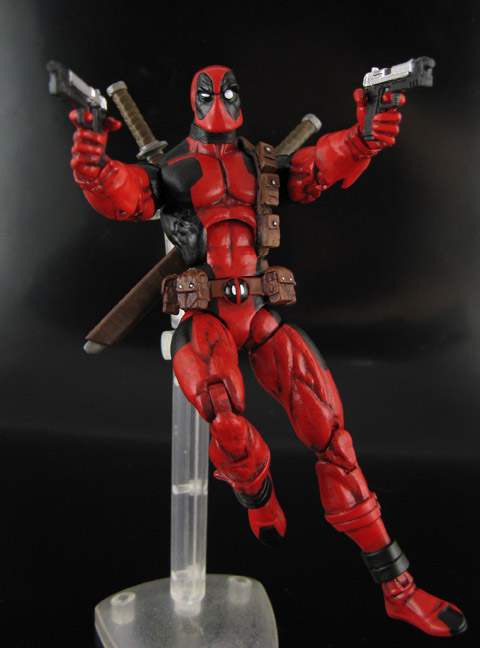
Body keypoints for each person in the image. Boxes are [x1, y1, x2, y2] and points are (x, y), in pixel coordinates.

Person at [69, 65, 466, 636]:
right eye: (209, 93)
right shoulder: (172, 169)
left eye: (229, 92)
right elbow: (123, 194)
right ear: (194, 100)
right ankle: (257, 495)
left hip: (258, 314)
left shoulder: (262, 164)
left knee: (333, 438)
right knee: (227, 421)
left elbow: (320, 165)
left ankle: (398, 589)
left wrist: (365, 135)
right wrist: (92, 161)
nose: (220, 103)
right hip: (204, 317)